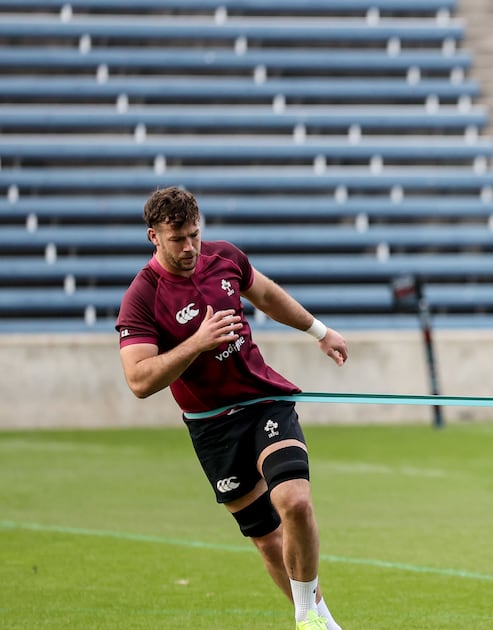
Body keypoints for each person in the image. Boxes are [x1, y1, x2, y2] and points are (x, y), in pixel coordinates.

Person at [115, 186, 350, 630]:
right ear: (153, 237)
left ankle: (306, 619)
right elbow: (139, 380)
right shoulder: (142, 297)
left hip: (263, 402)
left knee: (295, 501)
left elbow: (267, 296)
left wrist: (320, 331)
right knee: (266, 540)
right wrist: (197, 343)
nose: (189, 247)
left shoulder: (224, 258)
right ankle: (322, 620)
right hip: (212, 428)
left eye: (195, 235)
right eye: (177, 238)